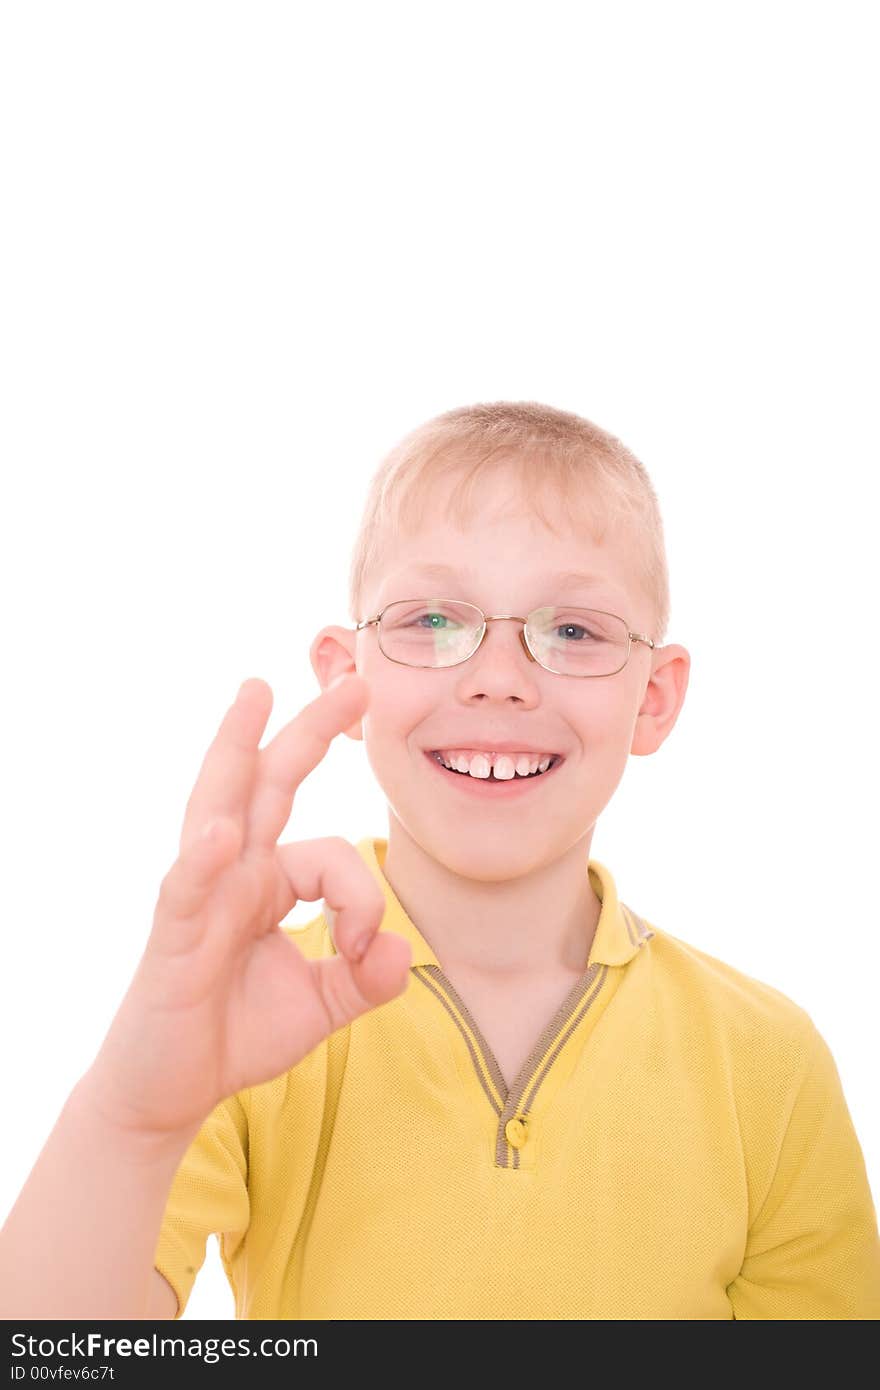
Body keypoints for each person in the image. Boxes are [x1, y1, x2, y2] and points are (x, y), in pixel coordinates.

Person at [2, 401, 878, 1321]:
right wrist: (130, 1116)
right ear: (347, 677)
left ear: (653, 698)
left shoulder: (769, 1061)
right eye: (431, 618)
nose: (497, 674)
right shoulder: (247, 1014)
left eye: (572, 632)